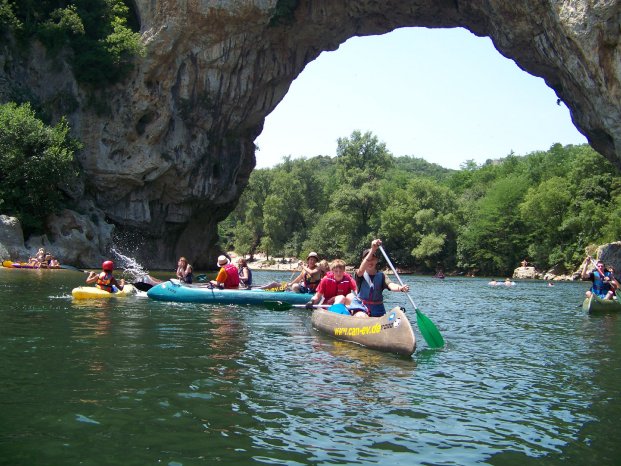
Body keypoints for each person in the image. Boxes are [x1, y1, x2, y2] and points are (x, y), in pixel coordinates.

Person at [355, 239, 409, 317]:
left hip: (378, 309)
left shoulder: (382, 276)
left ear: (377, 260)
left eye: (373, 259)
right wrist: (373, 249)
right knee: (362, 316)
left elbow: (391, 285)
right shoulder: (359, 273)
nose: (370, 262)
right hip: (361, 308)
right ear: (363, 261)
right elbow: (361, 270)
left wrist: (400, 288)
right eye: (368, 259)